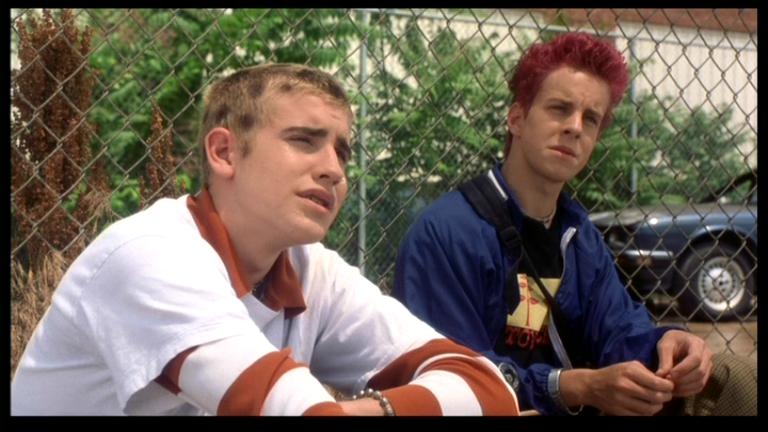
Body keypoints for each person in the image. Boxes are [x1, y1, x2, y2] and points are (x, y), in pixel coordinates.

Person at [11, 63, 520, 416]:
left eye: (342, 152)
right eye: (304, 140)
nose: (334, 169)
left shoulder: (309, 267)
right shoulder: (149, 255)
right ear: (224, 153)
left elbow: (487, 387)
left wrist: (368, 410)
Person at [393, 32, 755, 416]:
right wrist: (572, 387)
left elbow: (620, 334)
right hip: (495, 408)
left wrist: (670, 345)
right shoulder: (447, 233)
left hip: (578, 406)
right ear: (517, 118)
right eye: (559, 109)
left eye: (590, 118)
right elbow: (452, 375)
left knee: (732, 377)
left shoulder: (578, 235)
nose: (575, 127)